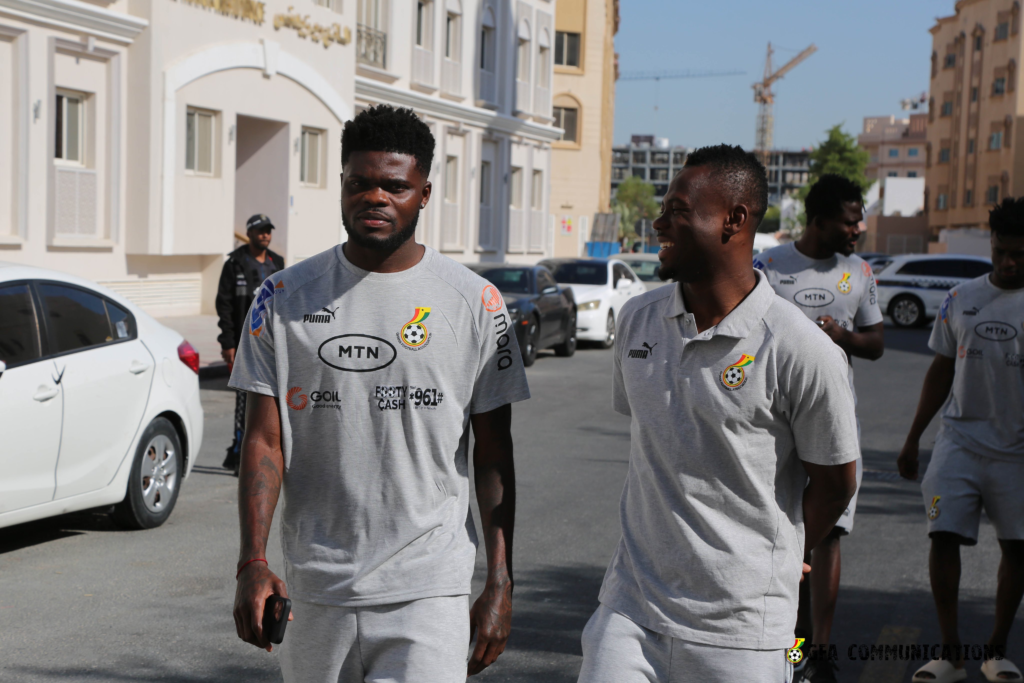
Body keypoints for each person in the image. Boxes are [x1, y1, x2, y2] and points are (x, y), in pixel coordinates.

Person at [228, 105, 530, 682]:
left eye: (395, 185)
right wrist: (253, 561)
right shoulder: (282, 298)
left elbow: (494, 454)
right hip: (317, 589)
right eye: (359, 183)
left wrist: (499, 582)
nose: (375, 197)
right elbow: (264, 442)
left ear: (424, 193)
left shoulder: (477, 304)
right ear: (341, 186)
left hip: (429, 590)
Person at [577, 145, 860, 683]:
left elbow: (835, 483)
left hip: (742, 633)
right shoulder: (638, 321)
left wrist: (788, 552)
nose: (660, 222)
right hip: (630, 611)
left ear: (735, 219)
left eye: (678, 210)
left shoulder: (801, 349)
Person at [755, 174, 884, 683]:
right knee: (776, 532)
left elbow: (876, 343)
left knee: (827, 536)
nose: (859, 229)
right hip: (771, 425)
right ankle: (782, 649)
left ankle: (819, 655)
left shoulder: (859, 273)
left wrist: (843, 335)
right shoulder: (769, 266)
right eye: (850, 221)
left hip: (832, 422)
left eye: (860, 219)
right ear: (819, 220)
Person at [899, 197, 1024, 683]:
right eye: (1002, 251)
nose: (1010, 262)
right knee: (941, 533)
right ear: (991, 246)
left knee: (1017, 550)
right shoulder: (960, 297)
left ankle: (997, 650)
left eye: (1020, 253)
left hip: (1016, 455)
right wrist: (913, 437)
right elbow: (941, 368)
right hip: (959, 443)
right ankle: (950, 654)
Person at [215, 213, 284, 473]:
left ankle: (270, 454)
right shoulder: (234, 264)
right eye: (260, 231)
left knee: (274, 403)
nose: (265, 235)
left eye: (268, 231)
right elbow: (224, 306)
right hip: (245, 345)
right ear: (250, 233)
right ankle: (239, 454)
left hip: (273, 344)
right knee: (245, 401)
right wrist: (228, 343)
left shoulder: (277, 263)